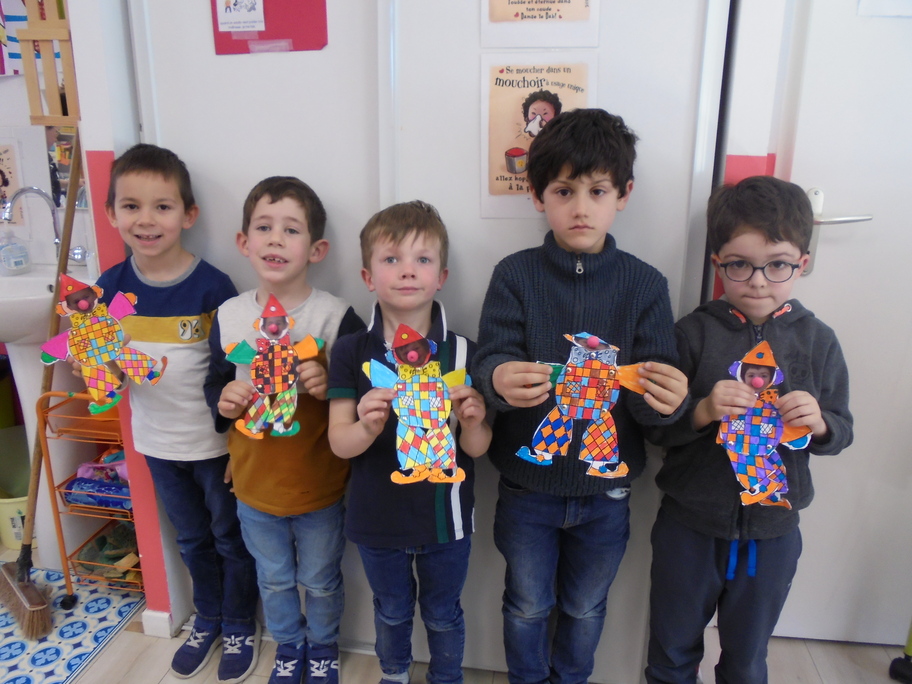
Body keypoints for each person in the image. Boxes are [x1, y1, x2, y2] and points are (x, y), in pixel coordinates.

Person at [473, 107, 689, 684]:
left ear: (624, 195)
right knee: (526, 605)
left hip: (606, 494)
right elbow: (489, 359)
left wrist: (665, 395)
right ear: (538, 195)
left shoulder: (646, 284)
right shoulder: (515, 275)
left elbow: (653, 399)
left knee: (586, 607)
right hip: (526, 488)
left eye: (598, 191)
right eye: (564, 191)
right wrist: (496, 378)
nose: (580, 208)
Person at [644, 175, 854, 684]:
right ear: (717, 262)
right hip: (689, 527)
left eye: (777, 264)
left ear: (802, 262)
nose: (758, 281)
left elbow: (842, 430)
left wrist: (820, 424)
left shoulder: (818, 341)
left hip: (773, 534)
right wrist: (702, 410)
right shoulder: (690, 333)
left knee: (746, 660)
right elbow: (655, 427)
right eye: (740, 264)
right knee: (671, 652)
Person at [100, 144, 260, 682]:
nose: (146, 219)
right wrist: (97, 367)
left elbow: (236, 371)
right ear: (111, 214)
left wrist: (240, 444)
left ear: (188, 215)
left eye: (162, 206)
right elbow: (110, 373)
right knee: (190, 539)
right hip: (157, 444)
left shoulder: (212, 286)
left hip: (215, 445)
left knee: (230, 538)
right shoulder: (110, 290)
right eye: (131, 206)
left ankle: (239, 622)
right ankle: (207, 616)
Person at [205, 177, 364, 684]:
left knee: (320, 580)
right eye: (264, 227)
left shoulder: (336, 317)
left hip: (320, 486)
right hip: (253, 486)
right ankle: (288, 647)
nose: (275, 239)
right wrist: (224, 402)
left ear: (316, 249)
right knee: (273, 580)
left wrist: (330, 383)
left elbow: (367, 393)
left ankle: (323, 647)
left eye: (291, 229)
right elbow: (213, 384)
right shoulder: (229, 317)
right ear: (243, 241)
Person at [327, 201, 492, 684]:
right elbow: (339, 443)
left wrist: (474, 422)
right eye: (391, 258)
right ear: (367, 276)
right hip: (377, 516)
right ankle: (394, 673)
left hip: (447, 517)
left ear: (441, 276)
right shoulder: (351, 351)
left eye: (422, 259)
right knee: (392, 610)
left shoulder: (465, 352)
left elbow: (478, 449)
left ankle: (447, 677)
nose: (407, 271)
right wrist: (366, 427)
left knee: (443, 612)